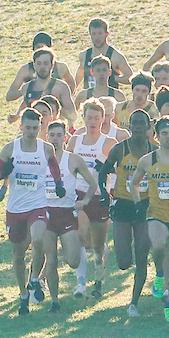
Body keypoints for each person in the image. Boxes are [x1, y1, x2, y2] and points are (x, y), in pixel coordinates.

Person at [0, 109, 63, 315]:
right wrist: (3, 172)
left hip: (38, 204)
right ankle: (23, 294)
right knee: (18, 254)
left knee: (38, 239)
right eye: (27, 128)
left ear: (41, 127)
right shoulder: (10, 148)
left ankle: (34, 279)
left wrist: (58, 185)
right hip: (15, 207)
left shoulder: (46, 148)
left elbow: (55, 169)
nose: (31, 132)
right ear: (21, 127)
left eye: (35, 128)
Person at [129, 116, 169, 322]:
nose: (168, 137)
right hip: (156, 214)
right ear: (157, 137)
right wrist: (138, 203)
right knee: (157, 245)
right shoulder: (148, 160)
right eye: (164, 133)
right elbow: (133, 183)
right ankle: (159, 273)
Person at [99, 110, 157, 314]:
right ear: (129, 126)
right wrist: (104, 193)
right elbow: (103, 170)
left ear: (149, 126)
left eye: (143, 123)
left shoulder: (154, 151)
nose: (139, 127)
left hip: (145, 206)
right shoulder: (119, 149)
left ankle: (134, 302)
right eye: (135, 123)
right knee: (124, 262)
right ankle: (125, 266)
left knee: (142, 254)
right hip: (123, 204)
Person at [40, 121, 97, 310]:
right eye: (52, 135)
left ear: (65, 138)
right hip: (46, 213)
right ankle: (55, 301)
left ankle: (77, 267)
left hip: (66, 213)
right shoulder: (40, 159)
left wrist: (85, 201)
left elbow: (92, 183)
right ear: (47, 137)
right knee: (51, 259)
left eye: (59, 135)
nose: (55, 139)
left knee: (72, 261)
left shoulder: (73, 160)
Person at [67, 99, 116, 297]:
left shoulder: (109, 143)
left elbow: (119, 169)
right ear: (84, 118)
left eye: (97, 117)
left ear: (103, 119)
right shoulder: (75, 140)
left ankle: (98, 276)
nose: (93, 121)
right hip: (79, 194)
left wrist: (105, 170)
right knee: (79, 237)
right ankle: (80, 284)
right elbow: (66, 165)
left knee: (97, 246)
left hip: (101, 197)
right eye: (89, 117)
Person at [6, 32, 77, 102]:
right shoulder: (26, 69)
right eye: (37, 47)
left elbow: (72, 85)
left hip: (55, 109)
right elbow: (9, 96)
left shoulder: (61, 67)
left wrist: (64, 98)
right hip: (33, 108)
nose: (40, 51)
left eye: (43, 47)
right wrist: (25, 91)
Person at [12, 48, 75, 123]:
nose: (42, 67)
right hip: (33, 131)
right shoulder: (26, 87)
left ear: (52, 65)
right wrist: (16, 116)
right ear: (34, 65)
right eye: (39, 63)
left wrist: (54, 107)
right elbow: (24, 107)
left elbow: (73, 115)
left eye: (45, 63)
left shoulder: (61, 87)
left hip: (54, 130)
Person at [78, 18, 134, 88]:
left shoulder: (116, 56)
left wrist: (113, 78)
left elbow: (131, 78)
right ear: (90, 34)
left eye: (100, 33)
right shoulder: (84, 55)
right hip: (90, 97)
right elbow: (77, 79)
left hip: (110, 97)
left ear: (107, 34)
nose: (97, 37)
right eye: (94, 34)